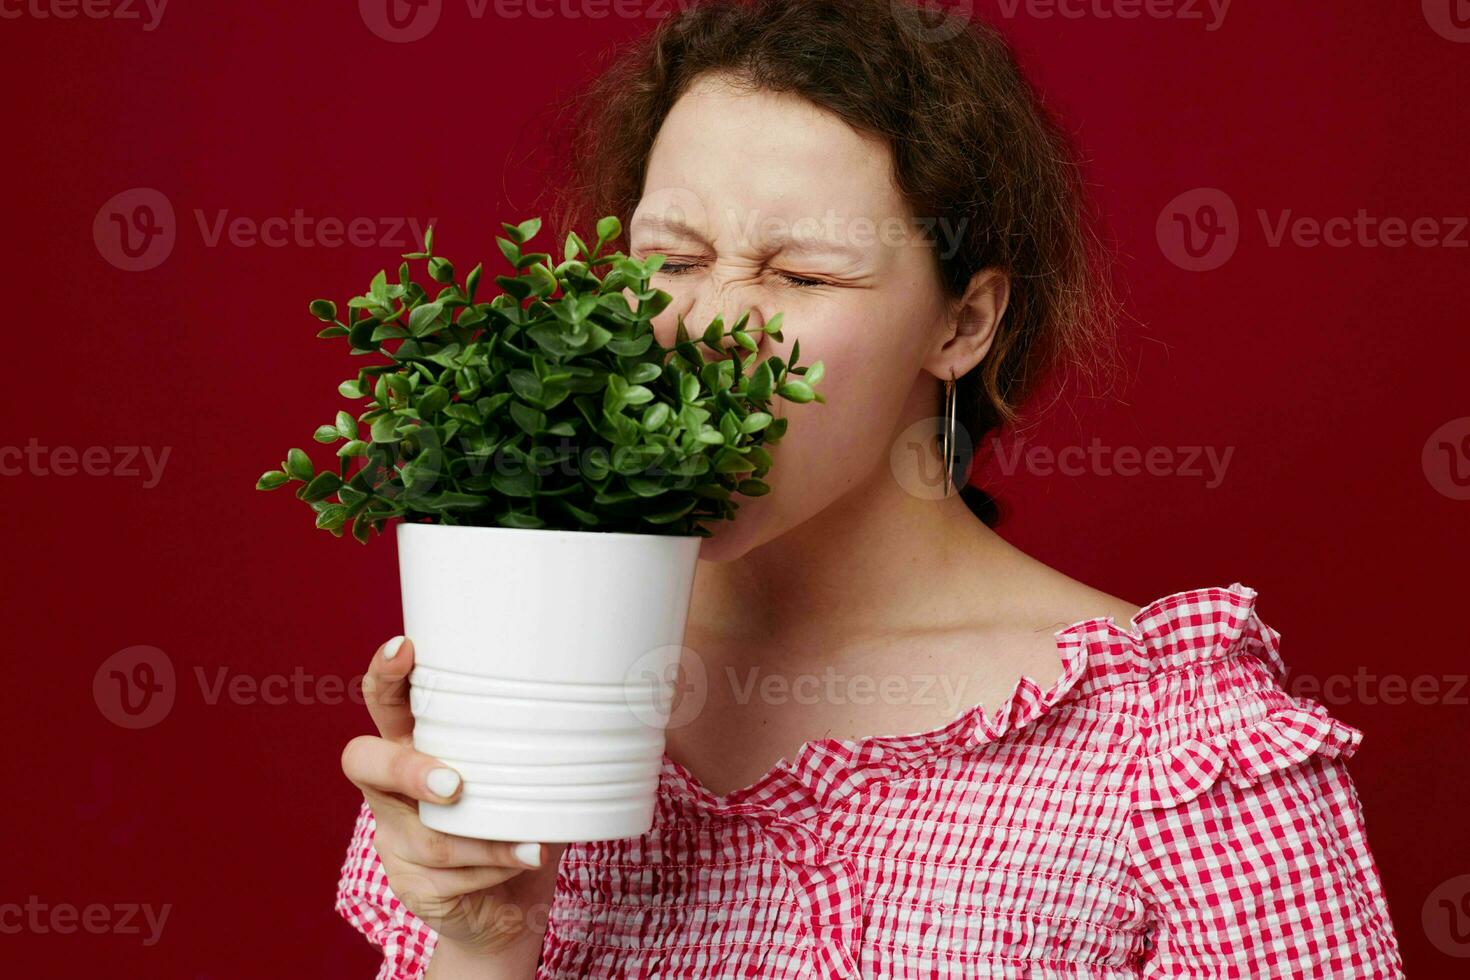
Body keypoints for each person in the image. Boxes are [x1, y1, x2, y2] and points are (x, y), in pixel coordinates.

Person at [335, 1, 1404, 976]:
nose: (703, 330)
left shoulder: (1179, 750)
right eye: (671, 259)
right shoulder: (524, 674)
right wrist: (485, 937)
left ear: (962, 323)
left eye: (802, 276)